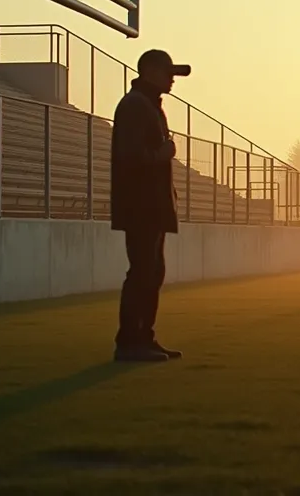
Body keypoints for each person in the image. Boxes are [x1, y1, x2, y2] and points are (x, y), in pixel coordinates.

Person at [110, 49, 190, 363]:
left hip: (150, 205)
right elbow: (133, 156)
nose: (172, 79)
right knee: (142, 272)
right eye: (168, 72)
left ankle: (144, 337)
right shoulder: (134, 107)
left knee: (152, 272)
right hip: (141, 205)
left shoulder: (147, 106)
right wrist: (164, 153)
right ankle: (130, 341)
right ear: (150, 72)